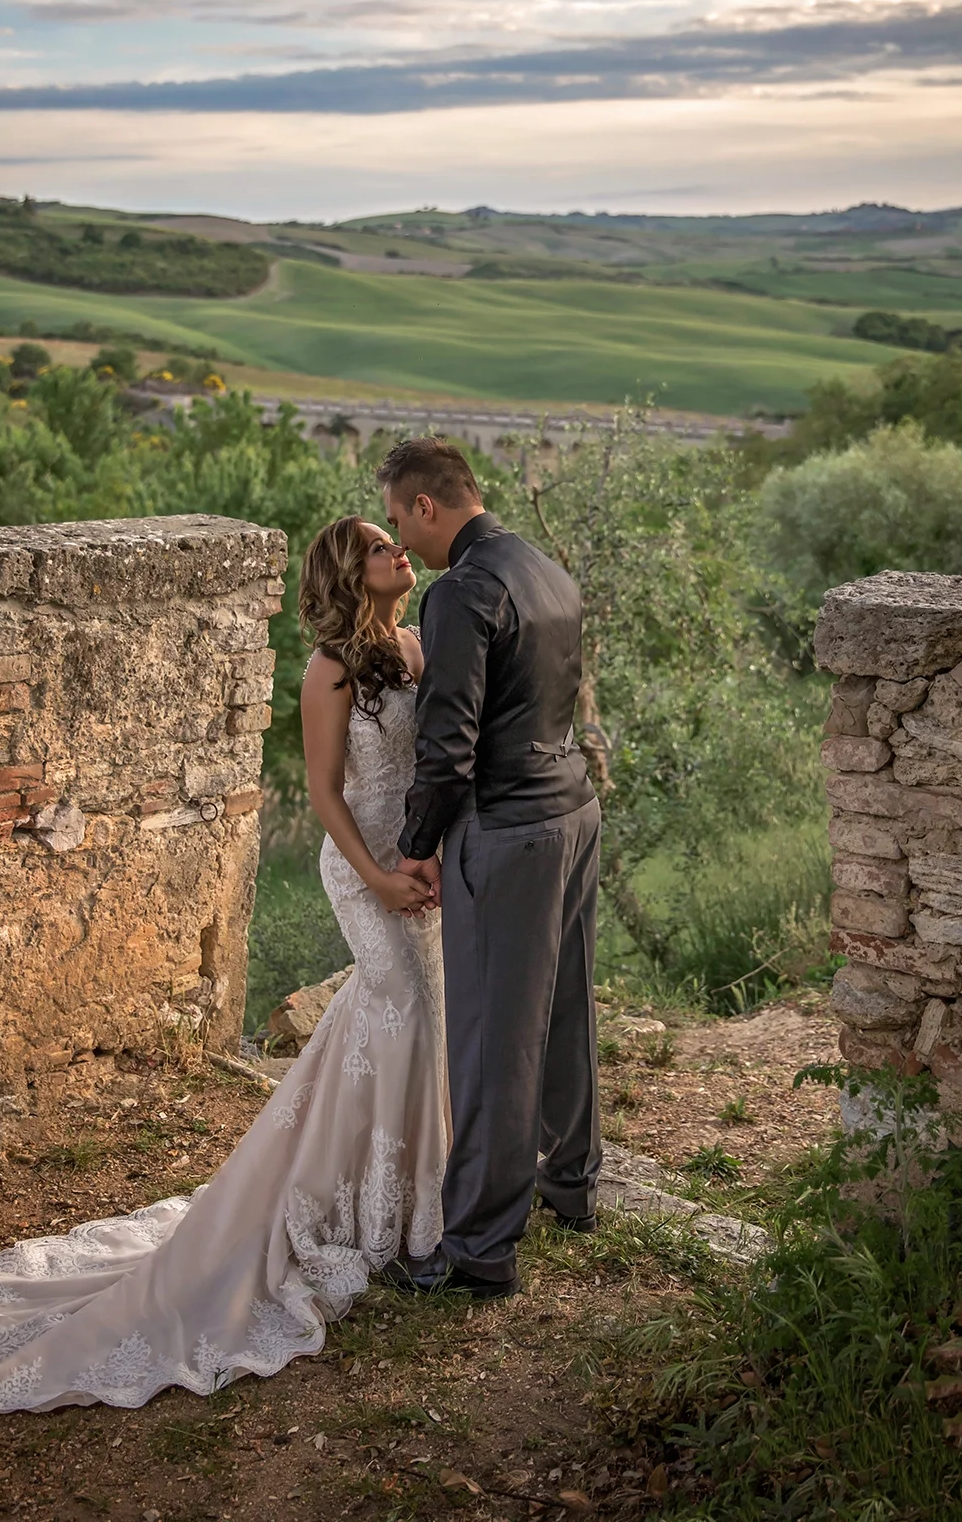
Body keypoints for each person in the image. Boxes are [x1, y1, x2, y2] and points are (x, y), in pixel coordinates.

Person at [0, 516, 448, 1412]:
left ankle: (409, 1199)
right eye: (383, 546)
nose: (401, 554)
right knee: (400, 1011)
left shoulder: (420, 646)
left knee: (417, 1017)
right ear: (355, 570)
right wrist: (380, 880)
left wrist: (423, 859)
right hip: (362, 870)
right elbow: (320, 793)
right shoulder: (327, 670)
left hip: (412, 866)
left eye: (399, 543)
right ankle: (370, 1214)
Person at [378, 437, 602, 1301]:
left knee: (490, 1044)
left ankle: (477, 1248)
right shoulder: (545, 567)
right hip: (574, 811)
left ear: (427, 506)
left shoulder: (462, 591)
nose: (403, 538)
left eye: (401, 519)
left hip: (507, 830)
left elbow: (447, 747)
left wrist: (416, 845)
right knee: (568, 1010)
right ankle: (573, 1186)